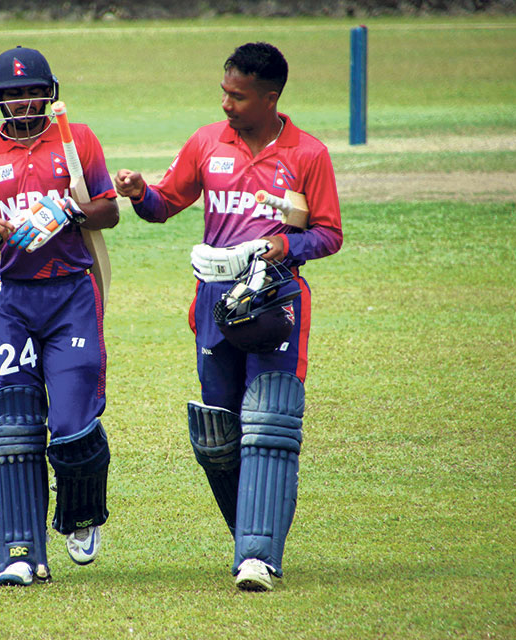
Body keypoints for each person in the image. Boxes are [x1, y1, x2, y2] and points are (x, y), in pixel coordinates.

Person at [114, 42, 342, 591]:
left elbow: (329, 234)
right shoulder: (206, 142)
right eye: (224, 92)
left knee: (269, 423)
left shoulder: (309, 154)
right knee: (219, 433)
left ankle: (258, 556)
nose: (226, 104)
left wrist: (286, 246)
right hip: (216, 301)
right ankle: (249, 540)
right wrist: (140, 193)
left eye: (238, 96)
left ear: (270, 97)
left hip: (275, 299)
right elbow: (164, 205)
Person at [0, 46, 120, 587]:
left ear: (50, 93)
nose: (24, 102)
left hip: (71, 295)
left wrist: (69, 209)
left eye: (33, 92)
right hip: (10, 300)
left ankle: (81, 514)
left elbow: (109, 211)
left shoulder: (76, 139)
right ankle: (21, 552)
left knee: (69, 422)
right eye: (13, 94)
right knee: (16, 421)